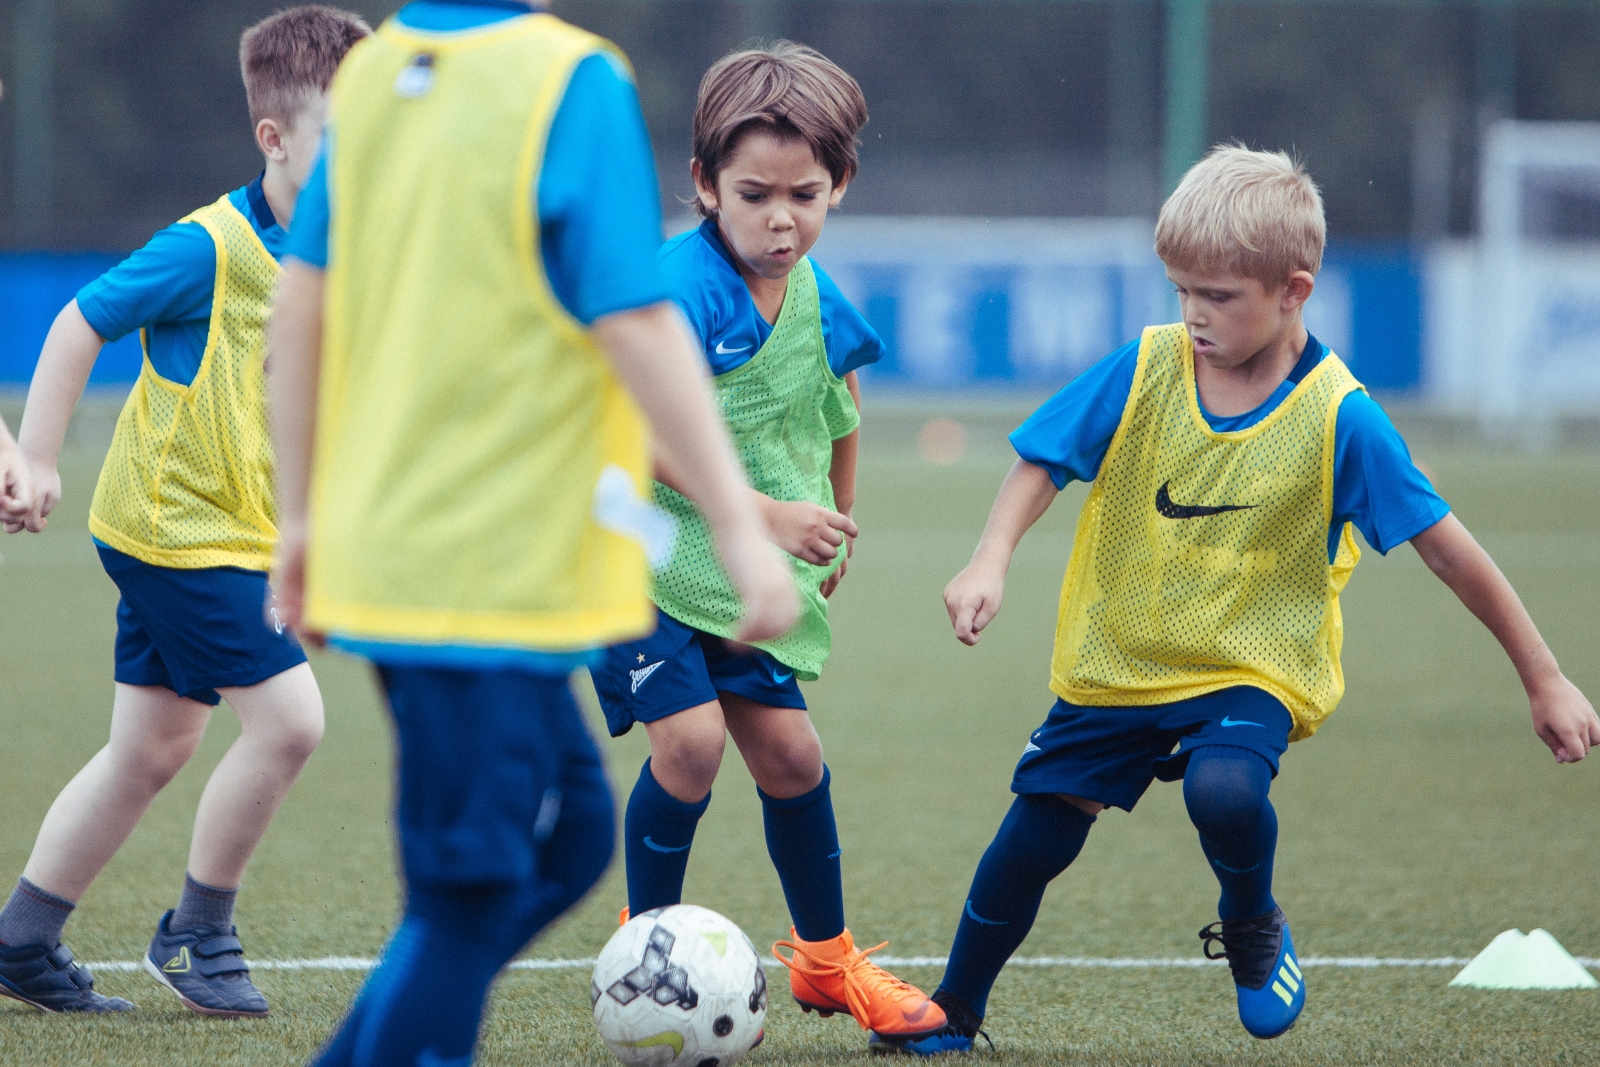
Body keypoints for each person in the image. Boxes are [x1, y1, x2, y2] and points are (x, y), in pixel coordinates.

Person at [900, 145, 1600, 1054]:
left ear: (1293, 290)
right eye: (1181, 290)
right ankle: (956, 1007)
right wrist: (988, 558)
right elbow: (1043, 459)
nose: (1193, 315)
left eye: (1219, 296)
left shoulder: (1342, 416)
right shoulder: (1146, 366)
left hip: (1251, 665)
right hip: (1123, 657)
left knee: (1224, 791)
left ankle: (1252, 920)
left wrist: (1544, 679)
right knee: (1031, 837)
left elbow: (1450, 553)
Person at [264, 3, 797, 1064]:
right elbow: (635, 318)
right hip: (485, 565)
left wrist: (309, 513)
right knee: (471, 889)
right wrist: (739, 526)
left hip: (417, 552)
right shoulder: (572, 80)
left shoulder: (373, 76)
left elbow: (303, 300)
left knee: (569, 845)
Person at [0, 7, 369, 1018]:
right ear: (275, 138)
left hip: (233, 535)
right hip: (176, 530)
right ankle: (198, 930)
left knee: (152, 745)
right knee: (290, 721)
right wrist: (34, 459)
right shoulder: (207, 246)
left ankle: (23, 935)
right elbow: (78, 324)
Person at [588, 42, 948, 1051]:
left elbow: (840, 398)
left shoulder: (818, 293)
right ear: (704, 183)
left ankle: (827, 964)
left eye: (806, 193)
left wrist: (834, 513)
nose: (781, 218)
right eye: (754, 194)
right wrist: (760, 516)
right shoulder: (676, 288)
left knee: (791, 755)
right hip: (640, 545)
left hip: (737, 560)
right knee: (692, 744)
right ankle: (643, 949)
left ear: (841, 183)